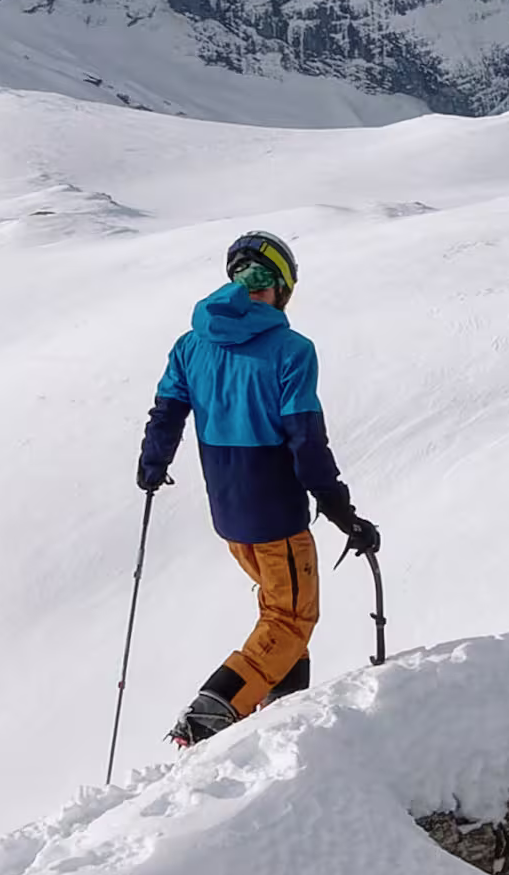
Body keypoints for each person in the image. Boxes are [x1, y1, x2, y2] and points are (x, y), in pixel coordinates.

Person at [137, 228, 382, 744]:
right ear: (282, 287)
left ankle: (283, 713)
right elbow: (306, 442)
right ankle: (212, 712)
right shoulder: (291, 350)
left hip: (230, 517)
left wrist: (153, 464)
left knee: (279, 613)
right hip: (277, 516)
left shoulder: (190, 345)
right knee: (292, 619)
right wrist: (343, 512)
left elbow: (167, 412)